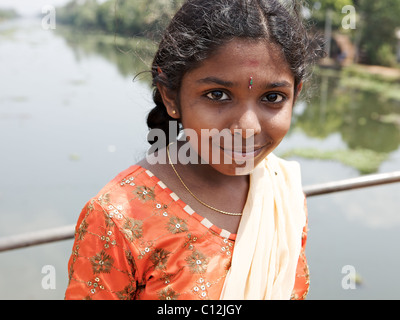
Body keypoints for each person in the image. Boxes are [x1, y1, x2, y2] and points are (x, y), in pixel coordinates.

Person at [65, 0, 324, 300]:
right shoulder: (118, 216)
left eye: (273, 97)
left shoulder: (283, 193)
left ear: (296, 94)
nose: (248, 127)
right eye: (218, 95)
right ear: (171, 96)